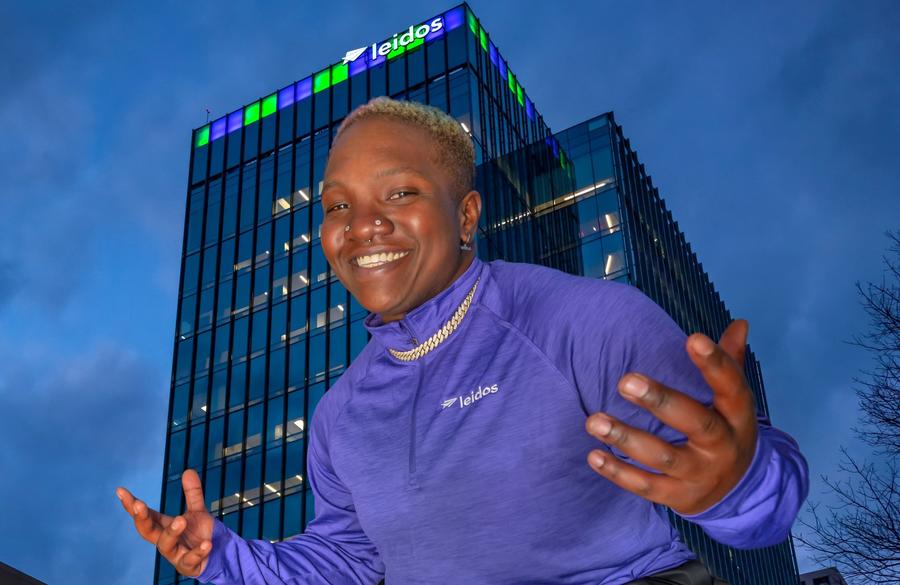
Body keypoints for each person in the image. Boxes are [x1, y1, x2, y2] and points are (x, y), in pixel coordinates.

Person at [117, 97, 809, 584]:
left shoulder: (587, 321)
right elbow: (349, 564)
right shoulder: (338, 417)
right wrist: (222, 558)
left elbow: (764, 509)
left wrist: (736, 484)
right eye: (337, 205)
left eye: (399, 194)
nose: (362, 226)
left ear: (467, 213)